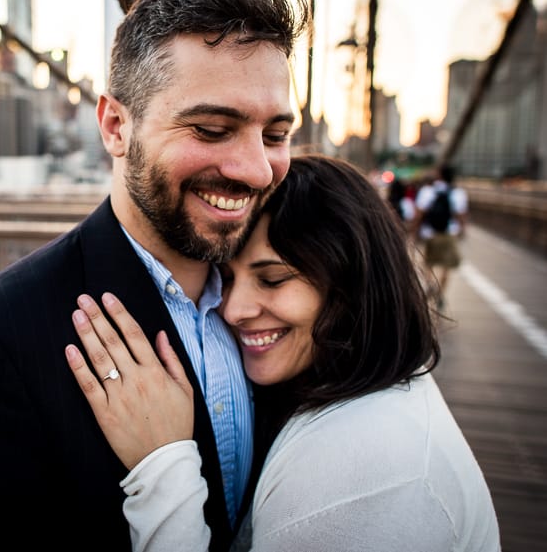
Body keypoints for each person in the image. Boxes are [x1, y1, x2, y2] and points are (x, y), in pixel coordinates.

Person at [0, 0, 310, 551]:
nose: (256, 169)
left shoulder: (293, 304)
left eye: (274, 134)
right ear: (116, 125)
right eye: (213, 129)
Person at [65, 154, 499, 551]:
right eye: (227, 280)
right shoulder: (372, 396)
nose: (233, 311)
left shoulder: (368, 483)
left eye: (272, 280)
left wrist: (162, 468)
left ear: (351, 285)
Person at [411, 164, 468, 309]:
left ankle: (431, 285)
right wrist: (462, 230)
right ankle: (440, 294)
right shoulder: (458, 193)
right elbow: (460, 215)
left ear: (439, 175)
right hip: (449, 233)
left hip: (430, 233)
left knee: (428, 264)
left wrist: (414, 230)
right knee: (445, 267)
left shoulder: (428, 191)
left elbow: (419, 214)